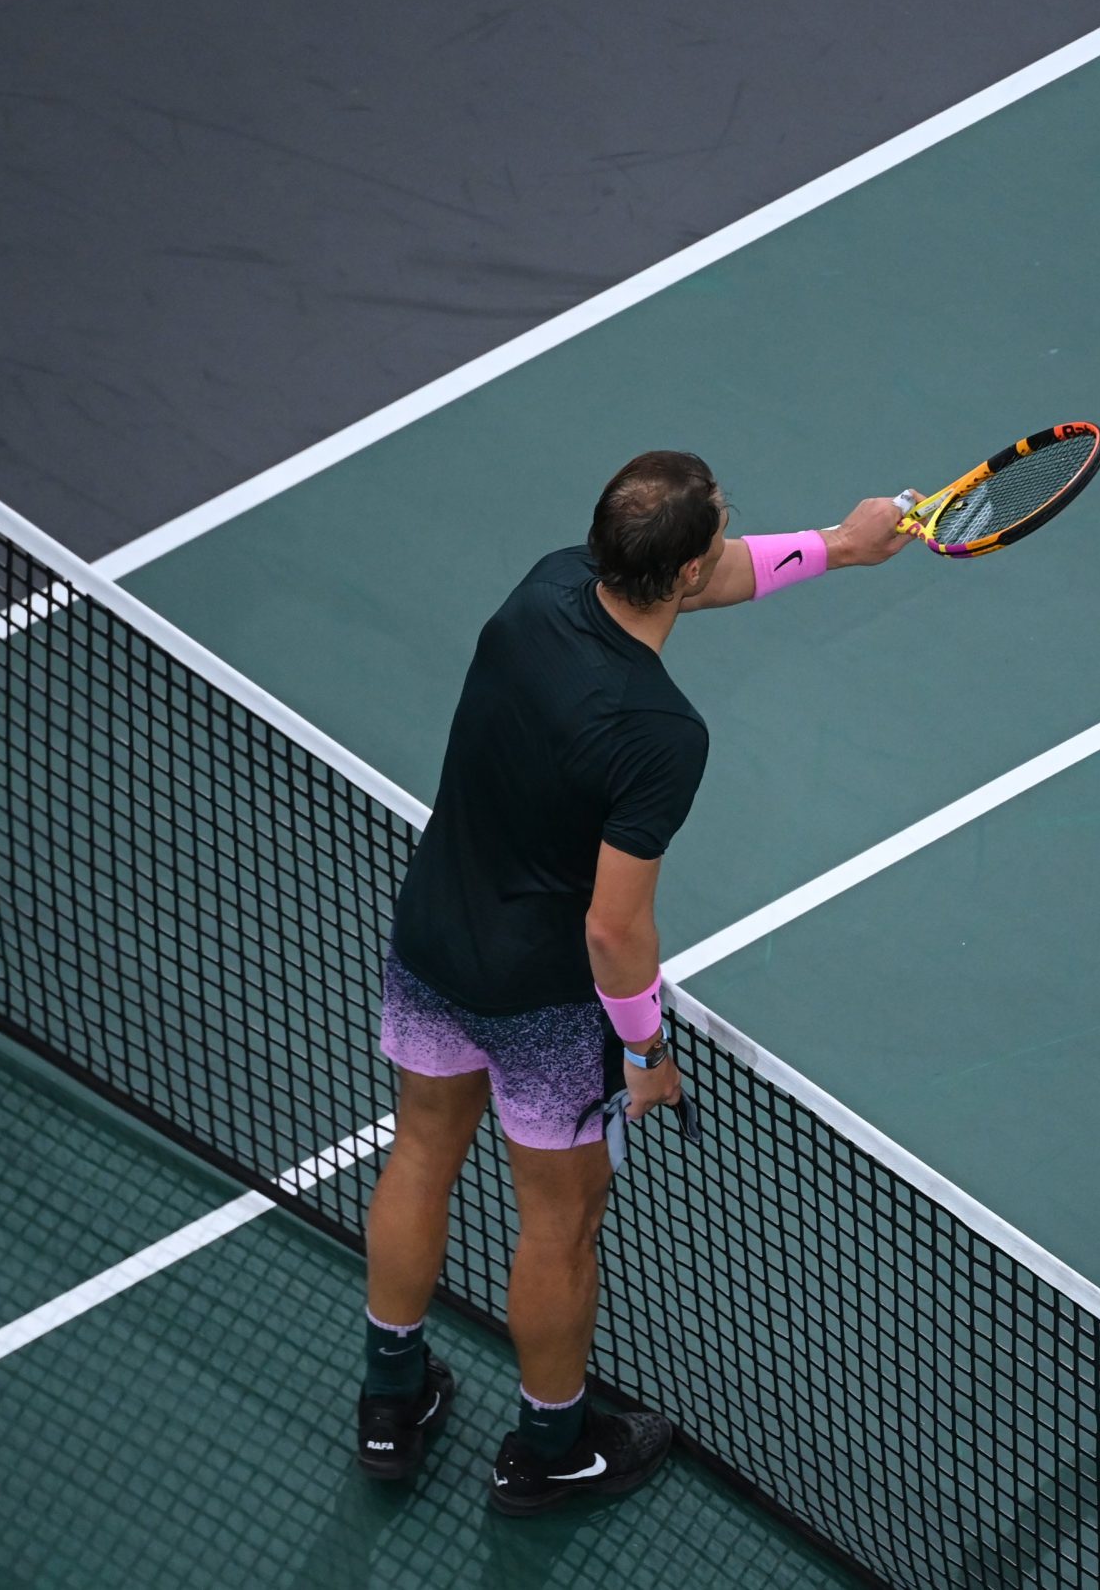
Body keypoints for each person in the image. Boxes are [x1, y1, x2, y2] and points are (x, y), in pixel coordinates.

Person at [352, 449, 911, 1509]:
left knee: (420, 1154)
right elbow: (613, 930)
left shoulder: (547, 586)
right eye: (714, 543)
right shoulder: (659, 735)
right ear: (685, 575)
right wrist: (648, 1052)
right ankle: (554, 1450)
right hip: (544, 1003)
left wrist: (839, 546)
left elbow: (715, 570)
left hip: (432, 936)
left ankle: (390, 1403)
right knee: (561, 1223)